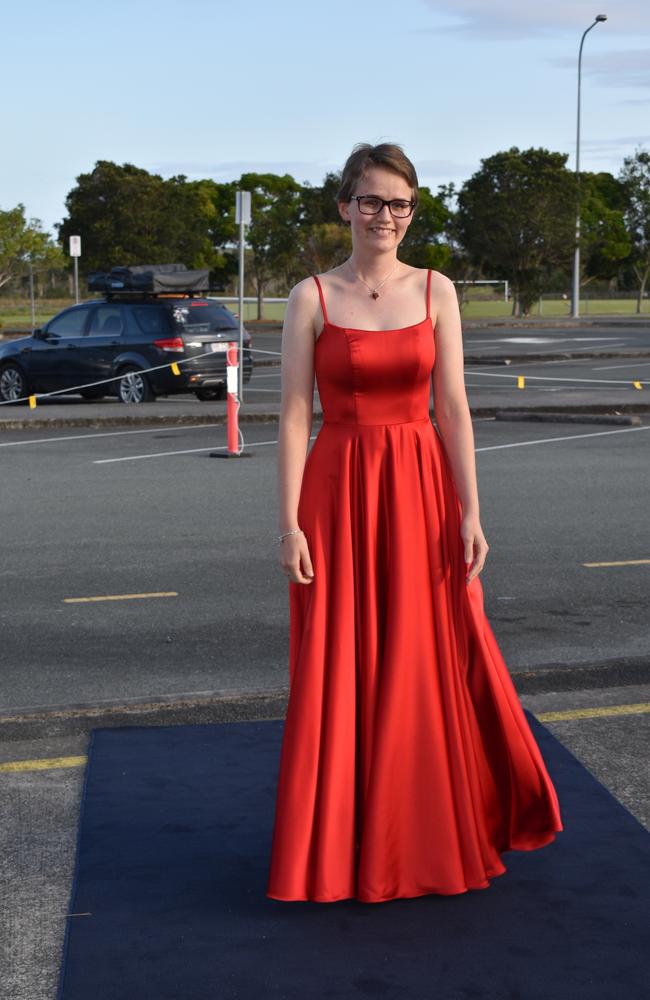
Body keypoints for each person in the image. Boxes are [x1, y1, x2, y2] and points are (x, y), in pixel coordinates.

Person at [266, 142, 563, 904]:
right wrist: (289, 522)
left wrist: (472, 509)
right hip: (336, 494)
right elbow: (296, 414)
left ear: (412, 209)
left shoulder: (438, 290)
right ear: (344, 207)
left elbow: (453, 407)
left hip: (420, 490)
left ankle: (418, 837)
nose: (385, 217)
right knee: (342, 661)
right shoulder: (312, 297)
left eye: (399, 203)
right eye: (371, 201)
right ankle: (340, 848)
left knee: (425, 656)